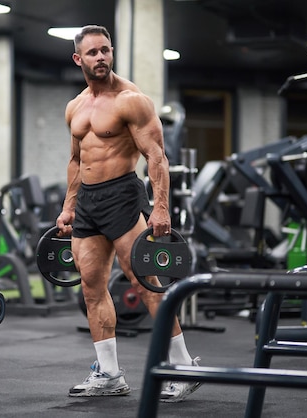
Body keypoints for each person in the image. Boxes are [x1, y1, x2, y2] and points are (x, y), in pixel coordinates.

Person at [55, 24, 201, 402]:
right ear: (78, 59)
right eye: (92, 52)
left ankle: (184, 366)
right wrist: (69, 206)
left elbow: (156, 156)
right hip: (87, 202)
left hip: (121, 195)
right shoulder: (75, 106)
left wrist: (161, 207)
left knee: (145, 282)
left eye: (105, 50)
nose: (101, 57)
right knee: (91, 286)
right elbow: (75, 160)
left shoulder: (131, 100)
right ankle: (108, 374)